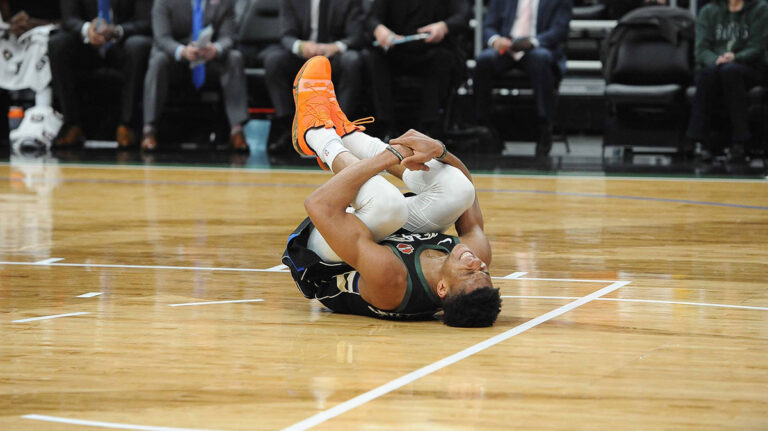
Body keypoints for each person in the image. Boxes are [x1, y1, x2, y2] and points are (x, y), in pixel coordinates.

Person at [282, 56, 501, 327]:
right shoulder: (476, 256)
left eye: (470, 274)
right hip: (388, 235)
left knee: (388, 205)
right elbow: (467, 186)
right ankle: (346, 134)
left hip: (326, 254)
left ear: (442, 289)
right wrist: (438, 150)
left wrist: (390, 156)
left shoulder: (392, 282)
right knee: (460, 191)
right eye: (485, 272)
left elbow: (319, 205)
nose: (476, 264)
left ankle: (315, 136)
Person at [141, 0, 248, 152]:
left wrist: (216, 49)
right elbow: (162, 38)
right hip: (176, 60)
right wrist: (182, 51)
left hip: (209, 61)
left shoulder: (224, 2)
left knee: (234, 58)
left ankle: (237, 130)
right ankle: (149, 130)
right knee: (158, 61)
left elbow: (229, 37)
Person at [263, 0, 366, 155]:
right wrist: (301, 46)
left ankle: (340, 128)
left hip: (335, 55)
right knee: (274, 61)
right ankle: (290, 129)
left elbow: (357, 36)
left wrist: (336, 47)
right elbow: (286, 36)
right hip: (303, 55)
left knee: (352, 61)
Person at [474, 0, 572, 157]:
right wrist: (495, 39)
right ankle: (484, 125)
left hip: (538, 46)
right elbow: (488, 26)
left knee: (541, 59)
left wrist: (532, 42)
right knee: (484, 60)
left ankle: (544, 125)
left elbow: (559, 30)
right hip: (507, 46)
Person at [48, 0, 153, 148]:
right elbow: (68, 18)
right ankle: (72, 124)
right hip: (86, 45)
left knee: (137, 45)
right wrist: (87, 30)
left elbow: (145, 21)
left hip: (122, 44)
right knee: (57, 43)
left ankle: (126, 125)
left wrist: (117, 31)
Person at [365, 0, 469, 139]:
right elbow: (371, 17)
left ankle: (429, 128)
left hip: (434, 48)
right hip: (397, 50)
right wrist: (379, 29)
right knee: (375, 59)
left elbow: (463, 16)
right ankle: (386, 126)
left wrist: (444, 27)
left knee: (443, 59)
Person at [685, 0, 768, 161]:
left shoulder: (760, 9)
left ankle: (741, 142)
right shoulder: (709, 11)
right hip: (717, 65)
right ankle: (698, 142)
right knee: (707, 73)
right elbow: (701, 49)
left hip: (750, 66)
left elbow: (759, 46)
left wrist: (736, 57)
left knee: (730, 71)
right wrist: (716, 59)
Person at [0, 0, 60, 146]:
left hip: (48, 33)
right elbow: (6, 15)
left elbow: (70, 19)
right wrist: (13, 22)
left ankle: (39, 122)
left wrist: (34, 23)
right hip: (12, 37)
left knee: (42, 42)